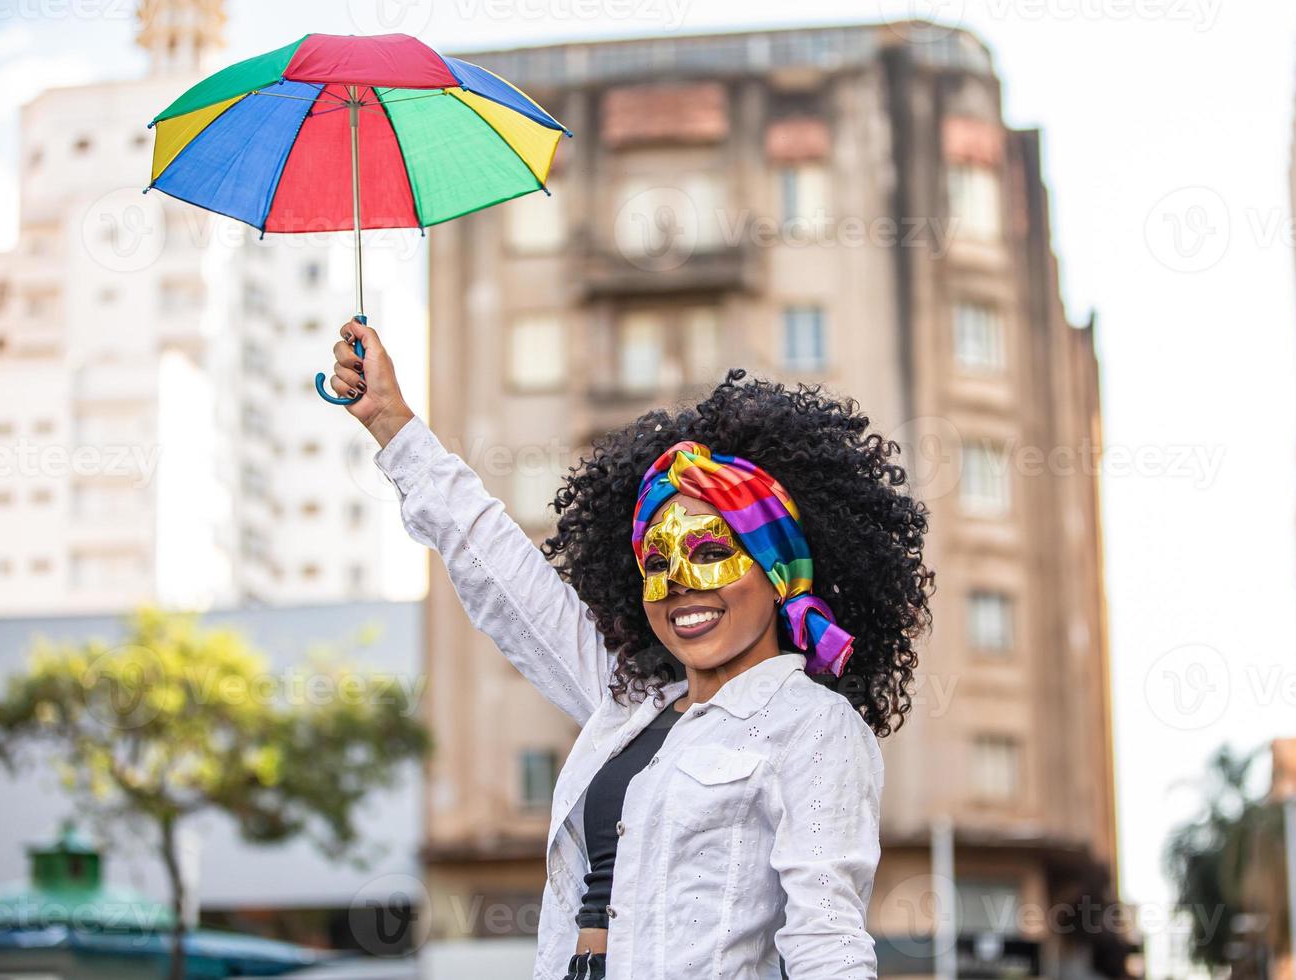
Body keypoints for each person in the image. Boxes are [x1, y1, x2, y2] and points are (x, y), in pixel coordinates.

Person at [330, 319, 933, 979]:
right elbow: (503, 574)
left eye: (710, 552)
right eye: (656, 560)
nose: (676, 581)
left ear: (779, 569)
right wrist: (392, 422)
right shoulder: (629, 704)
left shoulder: (814, 725)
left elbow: (827, 941)